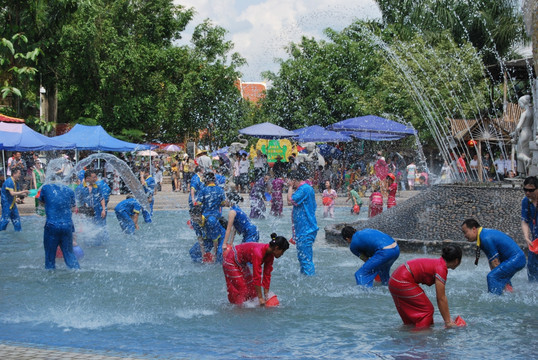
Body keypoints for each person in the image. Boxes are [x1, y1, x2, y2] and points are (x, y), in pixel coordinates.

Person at [388, 243, 462, 328]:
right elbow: (441, 298)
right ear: (456, 261)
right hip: (402, 280)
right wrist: (448, 322)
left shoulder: (438, 263)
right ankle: (419, 337)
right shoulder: (441, 268)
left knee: (410, 323)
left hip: (394, 279)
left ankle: (407, 338)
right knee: (427, 311)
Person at [461, 218, 526, 295]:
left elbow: (495, 262)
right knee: (497, 275)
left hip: (517, 259)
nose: (465, 236)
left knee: (492, 277)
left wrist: (497, 277)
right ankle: (510, 293)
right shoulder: (483, 235)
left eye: (465, 232)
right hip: (516, 258)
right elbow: (492, 261)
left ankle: (495, 301)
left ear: (474, 229)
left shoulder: (485, 238)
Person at [222, 233, 289, 305]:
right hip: (231, 260)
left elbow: (267, 275)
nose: (282, 254)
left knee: (253, 291)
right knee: (243, 289)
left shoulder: (270, 255)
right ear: (276, 248)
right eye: (282, 252)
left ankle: (246, 308)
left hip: (241, 262)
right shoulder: (258, 252)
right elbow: (257, 277)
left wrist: (266, 296)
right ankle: (238, 310)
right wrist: (260, 298)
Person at [39, 176, 80, 270]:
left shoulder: (45, 188)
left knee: (50, 256)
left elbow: (41, 202)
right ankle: (77, 272)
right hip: (67, 225)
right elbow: (73, 208)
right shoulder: (69, 190)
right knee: (69, 254)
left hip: (52, 226)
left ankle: (50, 278)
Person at [287, 167, 318, 276]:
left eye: (291, 181)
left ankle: (310, 283)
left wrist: (290, 187)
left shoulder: (304, 189)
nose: (291, 183)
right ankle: (305, 278)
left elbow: (290, 200)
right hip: (305, 228)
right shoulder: (307, 188)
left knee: (305, 259)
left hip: (306, 229)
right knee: (302, 257)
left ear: (295, 180)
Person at [195, 172, 226, 262]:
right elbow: (223, 203)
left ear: (207, 180)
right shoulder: (220, 190)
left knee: (194, 252)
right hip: (217, 219)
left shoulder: (203, 190)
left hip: (208, 220)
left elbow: (198, 204)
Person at [76, 170, 109, 244]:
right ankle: (88, 244)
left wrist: (103, 209)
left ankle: (101, 244)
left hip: (97, 211)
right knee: (88, 229)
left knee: (100, 228)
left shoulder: (97, 186)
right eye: (93, 177)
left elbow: (101, 198)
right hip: (86, 212)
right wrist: (80, 213)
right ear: (87, 178)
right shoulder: (80, 188)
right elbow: (77, 202)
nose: (96, 179)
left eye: (96, 177)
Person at [520, 176, 538, 282]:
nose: (527, 193)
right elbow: (524, 221)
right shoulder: (526, 202)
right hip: (534, 243)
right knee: (532, 271)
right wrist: (526, 237)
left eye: (531, 190)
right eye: (525, 190)